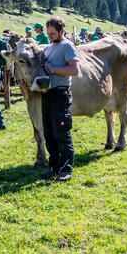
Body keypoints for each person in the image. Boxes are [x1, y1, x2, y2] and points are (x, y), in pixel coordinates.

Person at [38, 16, 80, 182]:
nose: (50, 36)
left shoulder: (67, 46)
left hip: (60, 94)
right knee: (49, 133)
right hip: (47, 93)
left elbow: (74, 70)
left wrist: (54, 69)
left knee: (62, 133)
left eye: (53, 33)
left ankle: (65, 169)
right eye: (48, 33)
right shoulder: (49, 48)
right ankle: (54, 167)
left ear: (62, 31)